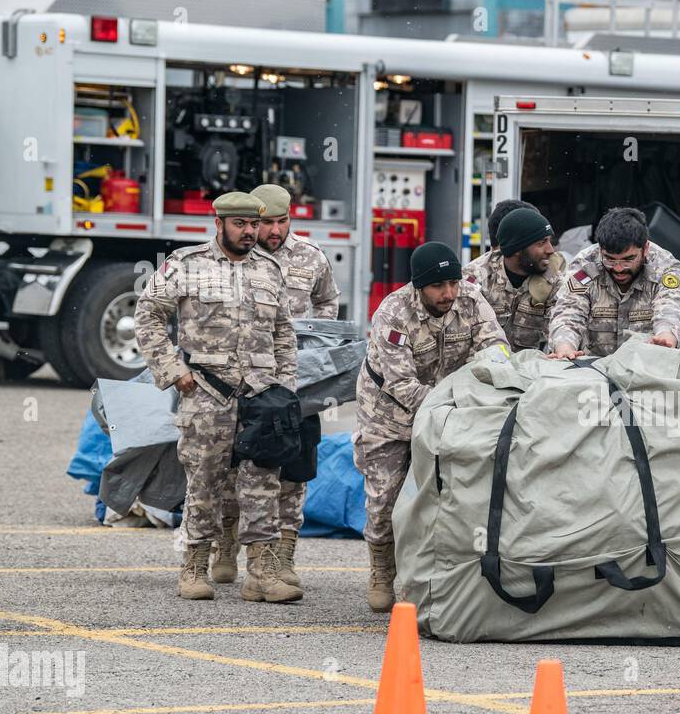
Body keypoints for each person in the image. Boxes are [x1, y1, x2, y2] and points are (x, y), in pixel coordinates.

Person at [135, 191, 299, 603]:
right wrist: (174, 371)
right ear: (219, 224)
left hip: (261, 397)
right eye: (240, 225)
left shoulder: (270, 270)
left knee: (262, 482)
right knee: (205, 481)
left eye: (254, 225)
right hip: (206, 394)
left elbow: (283, 333)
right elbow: (148, 315)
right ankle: (195, 566)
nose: (250, 232)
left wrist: (285, 387)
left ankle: (261, 572)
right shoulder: (187, 265)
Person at [354, 241, 508, 612]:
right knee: (385, 499)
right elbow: (402, 385)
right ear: (419, 286)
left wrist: (490, 384)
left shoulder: (471, 299)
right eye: (439, 286)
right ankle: (381, 566)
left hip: (449, 410)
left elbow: (497, 347)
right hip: (390, 415)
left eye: (453, 283)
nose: (449, 293)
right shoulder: (392, 313)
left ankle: (428, 576)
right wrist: (456, 401)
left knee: (448, 494)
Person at [208, 183, 341, 593]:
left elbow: (328, 307)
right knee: (237, 470)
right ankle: (227, 544)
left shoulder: (311, 258)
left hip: (296, 385)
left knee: (295, 470)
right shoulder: (235, 257)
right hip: (245, 384)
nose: (274, 231)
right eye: (267, 222)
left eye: (282, 222)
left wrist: (313, 349)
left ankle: (283, 557)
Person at [547, 207, 680, 359]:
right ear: (600, 249)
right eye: (610, 259)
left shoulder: (664, 266)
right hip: (595, 365)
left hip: (647, 362)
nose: (619, 268)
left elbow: (672, 306)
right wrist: (565, 347)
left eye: (628, 259)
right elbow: (569, 311)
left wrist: (665, 336)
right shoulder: (585, 265)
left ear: (645, 248)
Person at [462, 205, 566, 350]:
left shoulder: (554, 279)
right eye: (541, 243)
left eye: (550, 241)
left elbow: (562, 323)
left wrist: (563, 346)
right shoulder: (476, 278)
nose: (550, 250)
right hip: (482, 365)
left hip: (529, 367)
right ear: (517, 249)